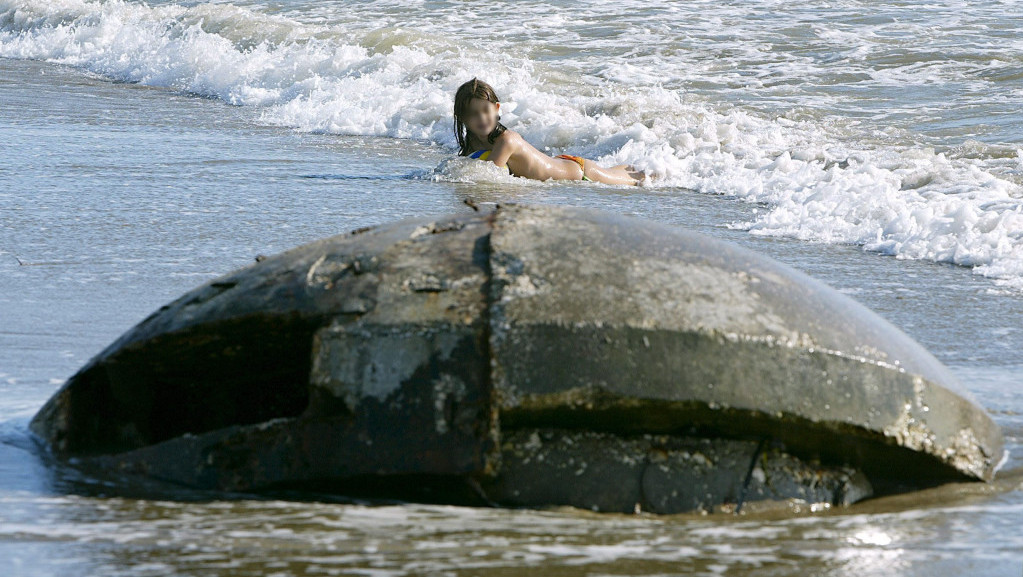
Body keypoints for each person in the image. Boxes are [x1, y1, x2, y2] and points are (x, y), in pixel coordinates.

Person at [453, 78, 645, 185]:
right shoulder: (473, 143)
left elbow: (488, 178)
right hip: (559, 163)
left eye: (486, 111)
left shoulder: (507, 141)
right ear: (462, 118)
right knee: (625, 172)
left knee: (638, 180)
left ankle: (661, 169)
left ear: (496, 108)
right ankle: (636, 167)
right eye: (473, 114)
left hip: (580, 173)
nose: (481, 118)